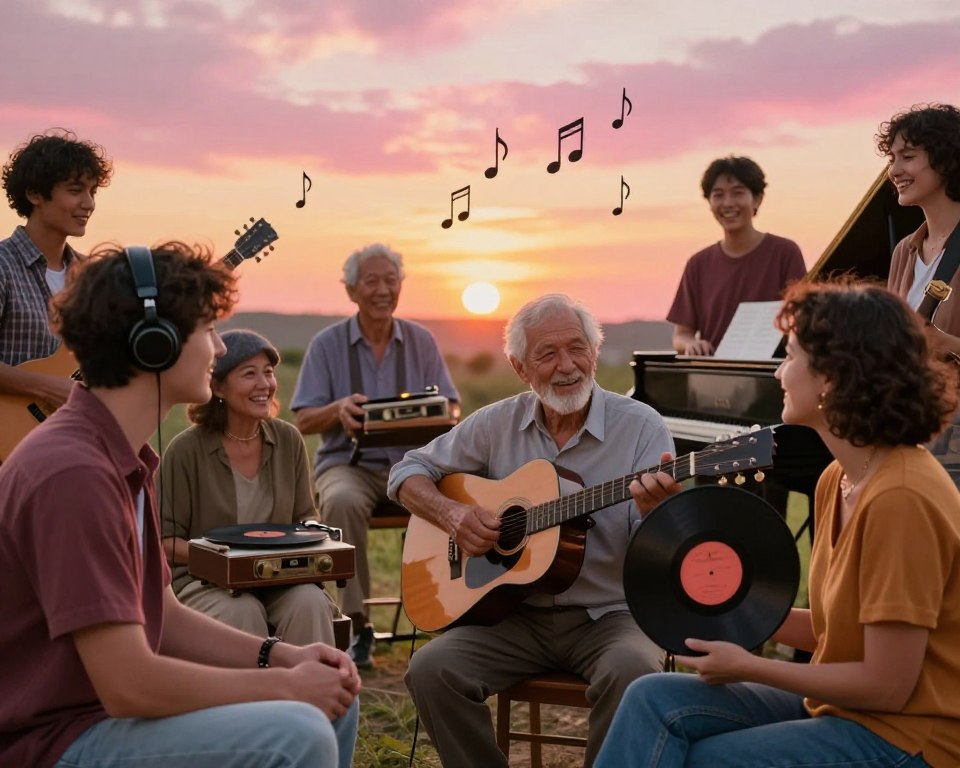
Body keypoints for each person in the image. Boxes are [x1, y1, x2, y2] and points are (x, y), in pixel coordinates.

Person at [0, 242, 359, 768]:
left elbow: (161, 615)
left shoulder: (124, 457)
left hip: (98, 717)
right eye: (208, 330)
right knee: (297, 730)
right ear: (154, 343)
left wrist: (282, 656)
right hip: (53, 740)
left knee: (332, 702)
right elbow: (129, 685)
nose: (218, 348)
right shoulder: (74, 472)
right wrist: (283, 685)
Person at [597, 281, 960, 768]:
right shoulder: (839, 478)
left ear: (833, 376)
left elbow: (888, 685)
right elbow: (836, 633)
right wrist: (720, 597)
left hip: (908, 739)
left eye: (788, 357)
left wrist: (751, 666)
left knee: (702, 759)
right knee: (650, 699)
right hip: (848, 712)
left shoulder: (901, 497)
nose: (778, 373)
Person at [389, 293, 674, 768]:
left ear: (595, 352)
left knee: (633, 674)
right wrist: (453, 516)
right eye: (547, 354)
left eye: (577, 348)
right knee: (430, 669)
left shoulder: (642, 427)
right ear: (521, 369)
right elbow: (407, 472)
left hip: (610, 616)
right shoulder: (497, 422)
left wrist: (659, 513)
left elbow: (664, 545)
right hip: (513, 617)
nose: (567, 366)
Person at [291, 242, 459, 667]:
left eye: (391, 280)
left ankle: (452, 616)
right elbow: (303, 420)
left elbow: (452, 408)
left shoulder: (421, 340)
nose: (383, 289)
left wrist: (434, 414)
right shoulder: (326, 344)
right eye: (372, 281)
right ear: (351, 291)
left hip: (414, 466)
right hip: (349, 466)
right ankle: (355, 624)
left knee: (463, 495)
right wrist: (338, 410)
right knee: (341, 501)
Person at [160, 328, 340, 647]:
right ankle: (254, 697)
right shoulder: (185, 450)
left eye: (268, 373)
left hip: (280, 579)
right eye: (249, 374)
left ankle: (315, 695)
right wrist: (222, 560)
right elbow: (165, 540)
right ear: (218, 387)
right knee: (241, 611)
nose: (264, 385)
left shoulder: (289, 440)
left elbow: (305, 519)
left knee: (310, 604)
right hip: (204, 582)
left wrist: (320, 539)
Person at [0, 129, 112, 403]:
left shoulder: (92, 276)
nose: (89, 203)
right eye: (76, 191)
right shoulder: (3, 266)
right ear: (35, 194)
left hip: (74, 433)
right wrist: (48, 388)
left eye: (92, 191)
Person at [667, 155, 806, 356]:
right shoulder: (697, 264)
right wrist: (691, 344)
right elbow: (681, 334)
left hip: (774, 376)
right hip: (718, 377)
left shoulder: (786, 253)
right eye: (718, 195)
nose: (728, 203)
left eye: (738, 193)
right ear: (709, 202)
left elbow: (803, 321)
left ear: (757, 199)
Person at [879, 103, 960, 356]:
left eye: (908, 156)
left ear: (945, 160)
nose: (893, 170)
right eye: (892, 159)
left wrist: (948, 346)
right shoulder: (904, 250)